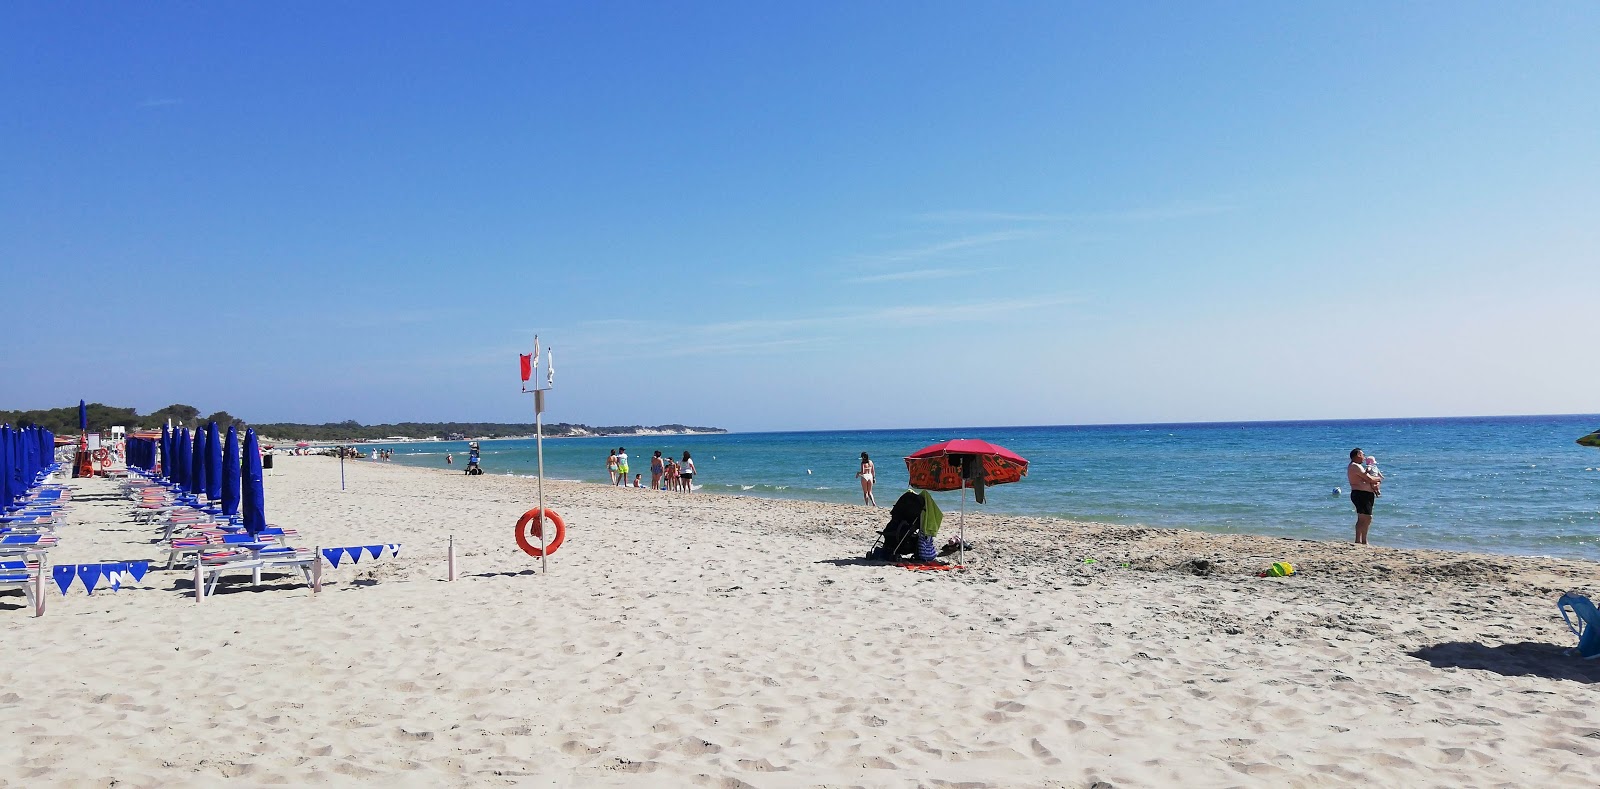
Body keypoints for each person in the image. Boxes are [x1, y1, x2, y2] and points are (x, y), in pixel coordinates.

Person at [1347, 448, 1383, 544]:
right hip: (1361, 494)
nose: (1364, 457)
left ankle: (1361, 540)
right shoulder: (1355, 466)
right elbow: (1369, 478)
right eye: (1363, 454)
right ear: (1358, 454)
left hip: (1364, 494)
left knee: (1363, 517)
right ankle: (1361, 540)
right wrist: (1378, 478)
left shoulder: (1357, 466)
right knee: (1366, 517)